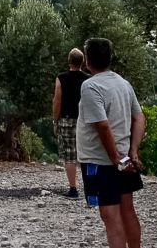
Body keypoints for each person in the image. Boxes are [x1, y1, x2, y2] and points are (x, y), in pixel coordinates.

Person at [76, 38, 146, 248]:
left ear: (88, 60)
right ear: (109, 58)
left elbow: (102, 126)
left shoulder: (90, 86)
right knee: (128, 211)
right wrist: (133, 151)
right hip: (125, 157)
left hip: (101, 161)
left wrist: (114, 158)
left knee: (110, 215)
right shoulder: (123, 83)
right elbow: (139, 117)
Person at [52, 48, 90, 198]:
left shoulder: (61, 78)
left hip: (67, 120)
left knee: (69, 155)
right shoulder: (88, 79)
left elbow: (57, 100)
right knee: (87, 154)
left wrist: (55, 120)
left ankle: (73, 189)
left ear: (69, 61)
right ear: (83, 62)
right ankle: (90, 187)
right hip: (85, 120)